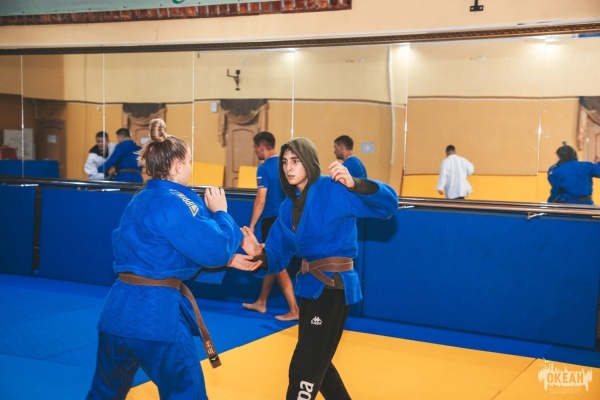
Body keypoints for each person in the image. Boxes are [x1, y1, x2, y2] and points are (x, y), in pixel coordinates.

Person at [86, 118, 262, 400]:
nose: (191, 167)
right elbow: (217, 248)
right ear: (178, 166)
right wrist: (221, 212)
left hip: (116, 315)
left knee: (104, 393)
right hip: (156, 317)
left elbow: (158, 256)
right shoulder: (176, 201)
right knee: (186, 393)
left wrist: (228, 262)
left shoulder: (139, 200)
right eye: (189, 162)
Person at [241, 137, 398, 400]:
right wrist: (259, 253)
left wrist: (355, 183)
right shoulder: (287, 207)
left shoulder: (332, 189)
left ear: (309, 162)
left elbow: (387, 205)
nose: (289, 167)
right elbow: (277, 254)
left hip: (333, 286)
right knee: (320, 364)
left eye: (295, 161)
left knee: (305, 366)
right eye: (285, 162)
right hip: (310, 288)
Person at [242, 131, 299, 321]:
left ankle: (294, 309)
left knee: (278, 264)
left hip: (273, 220)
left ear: (261, 146)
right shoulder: (286, 165)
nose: (255, 151)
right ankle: (262, 301)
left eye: (255, 147)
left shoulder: (264, 168)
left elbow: (261, 199)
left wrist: (252, 224)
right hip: (290, 218)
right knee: (269, 260)